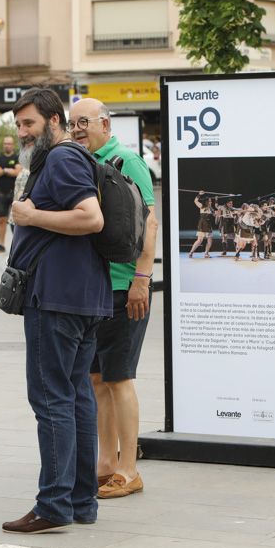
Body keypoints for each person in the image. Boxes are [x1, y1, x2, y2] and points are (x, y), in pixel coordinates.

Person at [3, 88, 112, 534]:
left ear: (53, 120)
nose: (23, 133)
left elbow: (91, 218)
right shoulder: (69, 158)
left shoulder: (64, 159)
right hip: (80, 296)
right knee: (76, 398)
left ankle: (53, 505)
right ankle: (81, 501)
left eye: (29, 123)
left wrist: (30, 218)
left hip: (57, 298)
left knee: (51, 399)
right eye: (18, 126)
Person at [68, 97, 158, 499]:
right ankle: (105, 464)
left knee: (119, 379)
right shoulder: (84, 163)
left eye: (84, 122)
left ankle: (129, 469)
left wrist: (143, 277)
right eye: (72, 124)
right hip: (97, 288)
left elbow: (150, 220)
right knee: (97, 380)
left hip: (126, 286)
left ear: (105, 123)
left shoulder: (125, 160)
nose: (78, 130)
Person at [0, 136, 22, 253]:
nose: (7, 145)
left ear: (13, 145)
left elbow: (18, 172)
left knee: (16, 221)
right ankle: (1, 244)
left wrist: (3, 170)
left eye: (9, 144)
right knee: (1, 220)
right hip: (1, 193)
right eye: (5, 143)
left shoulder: (17, 157)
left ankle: (17, 246)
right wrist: (8, 170)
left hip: (15, 194)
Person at [188, 192, 215, 258]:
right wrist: (199, 194)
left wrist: (218, 214)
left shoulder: (211, 208)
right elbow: (195, 201)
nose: (211, 202)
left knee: (210, 240)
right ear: (206, 202)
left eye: (211, 201)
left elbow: (215, 215)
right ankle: (191, 252)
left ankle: (206, 253)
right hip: (202, 224)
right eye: (209, 201)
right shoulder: (201, 206)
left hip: (208, 225)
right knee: (200, 240)